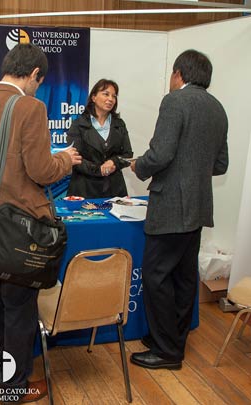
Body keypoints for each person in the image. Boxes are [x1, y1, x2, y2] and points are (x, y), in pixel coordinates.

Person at [0, 43, 82, 405]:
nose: (37, 88)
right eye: (38, 82)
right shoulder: (30, 107)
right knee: (19, 309)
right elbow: (42, 171)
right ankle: (13, 389)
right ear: (33, 75)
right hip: (18, 232)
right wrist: (65, 159)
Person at [130, 49, 228, 370]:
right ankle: (172, 338)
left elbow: (159, 156)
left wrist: (138, 166)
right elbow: (220, 164)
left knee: (156, 276)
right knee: (184, 278)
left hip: (172, 206)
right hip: (199, 208)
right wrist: (192, 171)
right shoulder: (217, 109)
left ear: (178, 74)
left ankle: (167, 351)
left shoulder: (174, 101)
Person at [67, 79, 133, 198]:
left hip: (114, 190)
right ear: (93, 97)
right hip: (84, 189)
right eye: (106, 94)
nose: (111, 99)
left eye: (114, 96)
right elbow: (73, 157)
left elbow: (128, 155)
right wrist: (99, 170)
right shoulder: (78, 124)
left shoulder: (119, 124)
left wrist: (113, 162)